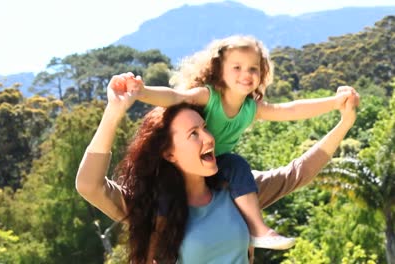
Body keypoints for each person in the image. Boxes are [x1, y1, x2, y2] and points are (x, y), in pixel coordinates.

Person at [75, 77, 359, 263]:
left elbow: (296, 173)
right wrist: (114, 112)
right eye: (193, 134)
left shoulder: (237, 190)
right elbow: (89, 185)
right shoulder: (151, 205)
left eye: (205, 128)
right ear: (169, 153)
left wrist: (343, 124)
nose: (209, 138)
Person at [116, 34, 354, 249]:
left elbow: (290, 110)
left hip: (215, 166)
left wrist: (335, 103)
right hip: (178, 169)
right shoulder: (208, 96)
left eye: (253, 68)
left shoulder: (250, 108)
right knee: (164, 209)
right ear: (219, 70)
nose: (246, 74)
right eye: (237, 67)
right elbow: (174, 97)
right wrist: (141, 91)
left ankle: (257, 229)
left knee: (236, 165)